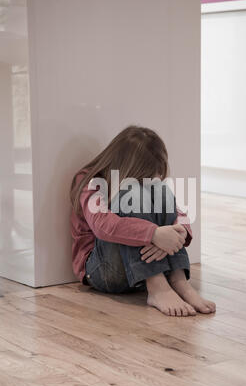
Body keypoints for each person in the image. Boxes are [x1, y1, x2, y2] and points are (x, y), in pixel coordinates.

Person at [70, 125, 215, 317]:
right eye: (146, 176)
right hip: (104, 271)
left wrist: (177, 233)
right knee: (132, 194)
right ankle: (157, 288)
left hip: (140, 270)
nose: (151, 180)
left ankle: (179, 282)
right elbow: (103, 225)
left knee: (162, 191)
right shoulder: (91, 180)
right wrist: (154, 235)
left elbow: (180, 213)